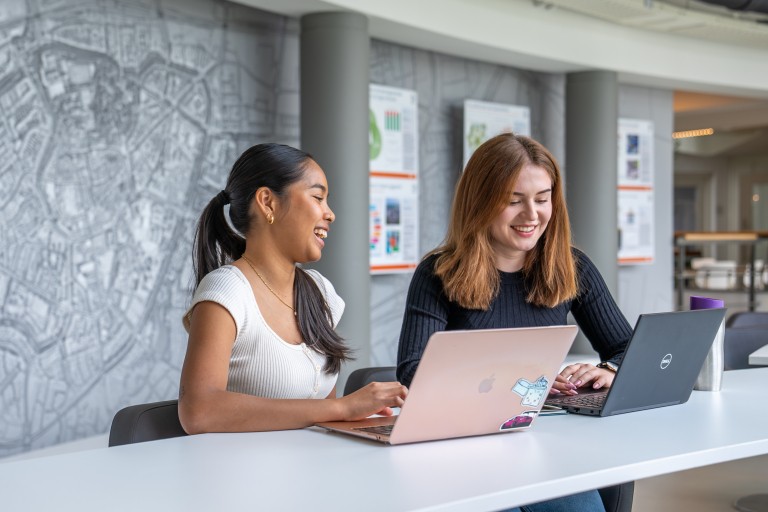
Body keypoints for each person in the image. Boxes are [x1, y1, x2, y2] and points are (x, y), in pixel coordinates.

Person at [396, 133, 633, 512]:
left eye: (543, 199)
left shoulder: (572, 267)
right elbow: (412, 371)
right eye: (513, 201)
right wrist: (520, 380)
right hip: (463, 450)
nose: (532, 215)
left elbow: (625, 347)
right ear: (481, 202)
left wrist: (609, 369)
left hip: (545, 446)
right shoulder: (439, 273)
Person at [178, 143, 407, 434]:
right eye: (317, 197)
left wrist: (356, 418)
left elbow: (322, 419)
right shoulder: (226, 292)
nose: (330, 214)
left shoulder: (320, 292)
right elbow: (198, 411)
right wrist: (343, 408)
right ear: (268, 202)